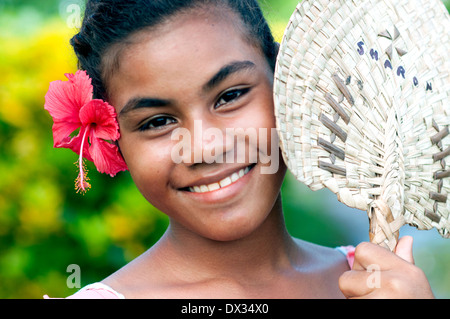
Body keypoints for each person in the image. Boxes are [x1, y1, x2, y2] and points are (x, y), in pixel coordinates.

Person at [44, 0, 434, 299]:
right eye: (157, 121)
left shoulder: (373, 279)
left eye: (230, 96)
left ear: (287, 84)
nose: (206, 147)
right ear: (113, 142)